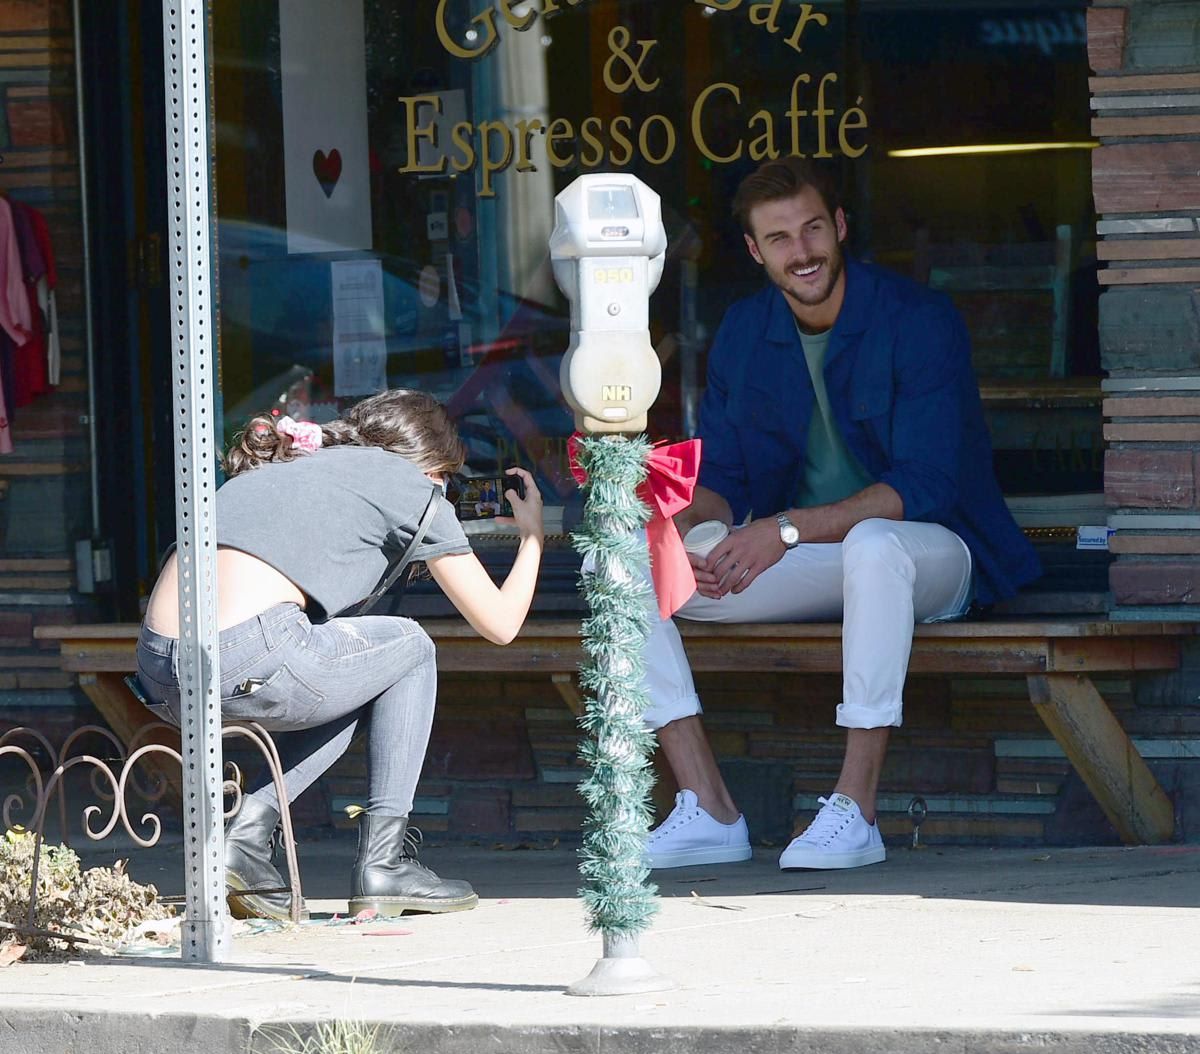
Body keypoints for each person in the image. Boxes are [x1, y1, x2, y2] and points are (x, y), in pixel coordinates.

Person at [644, 158, 1040, 873]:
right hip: (818, 559)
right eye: (780, 238)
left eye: (813, 228)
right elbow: (726, 481)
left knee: (874, 544)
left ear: (841, 227)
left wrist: (784, 529)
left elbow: (924, 484)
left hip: (935, 556)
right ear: (755, 251)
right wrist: (675, 527)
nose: (803, 252)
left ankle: (855, 810)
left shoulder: (916, 320)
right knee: (631, 564)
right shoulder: (743, 331)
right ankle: (708, 805)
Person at [136, 389, 544, 919]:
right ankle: (384, 866)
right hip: (251, 655)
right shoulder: (410, 486)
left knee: (359, 671)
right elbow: (501, 623)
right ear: (429, 465)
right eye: (445, 478)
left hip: (158, 670)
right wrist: (532, 535)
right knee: (412, 647)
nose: (444, 493)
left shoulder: (290, 469)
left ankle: (247, 837)